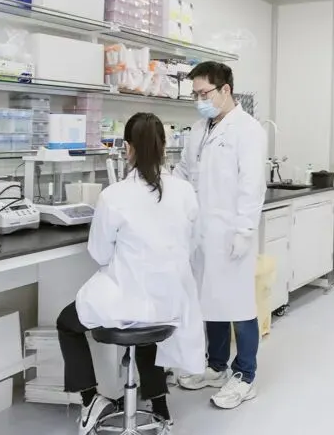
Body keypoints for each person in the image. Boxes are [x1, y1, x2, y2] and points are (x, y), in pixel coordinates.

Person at [56, 113, 205, 435]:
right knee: (146, 318)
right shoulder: (184, 191)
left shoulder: (114, 196)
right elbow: (192, 244)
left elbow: (99, 253)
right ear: (164, 146)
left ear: (127, 148)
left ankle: (90, 400)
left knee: (67, 323)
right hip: (172, 303)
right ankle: (160, 405)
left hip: (131, 303)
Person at [173, 61, 267, 410]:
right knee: (209, 301)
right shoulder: (199, 129)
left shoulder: (248, 130)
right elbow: (185, 171)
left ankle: (245, 375)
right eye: (195, 95)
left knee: (239, 306)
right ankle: (216, 366)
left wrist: (244, 230)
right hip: (201, 233)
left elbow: (251, 185)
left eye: (204, 93)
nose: (199, 100)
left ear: (225, 90)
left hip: (231, 233)